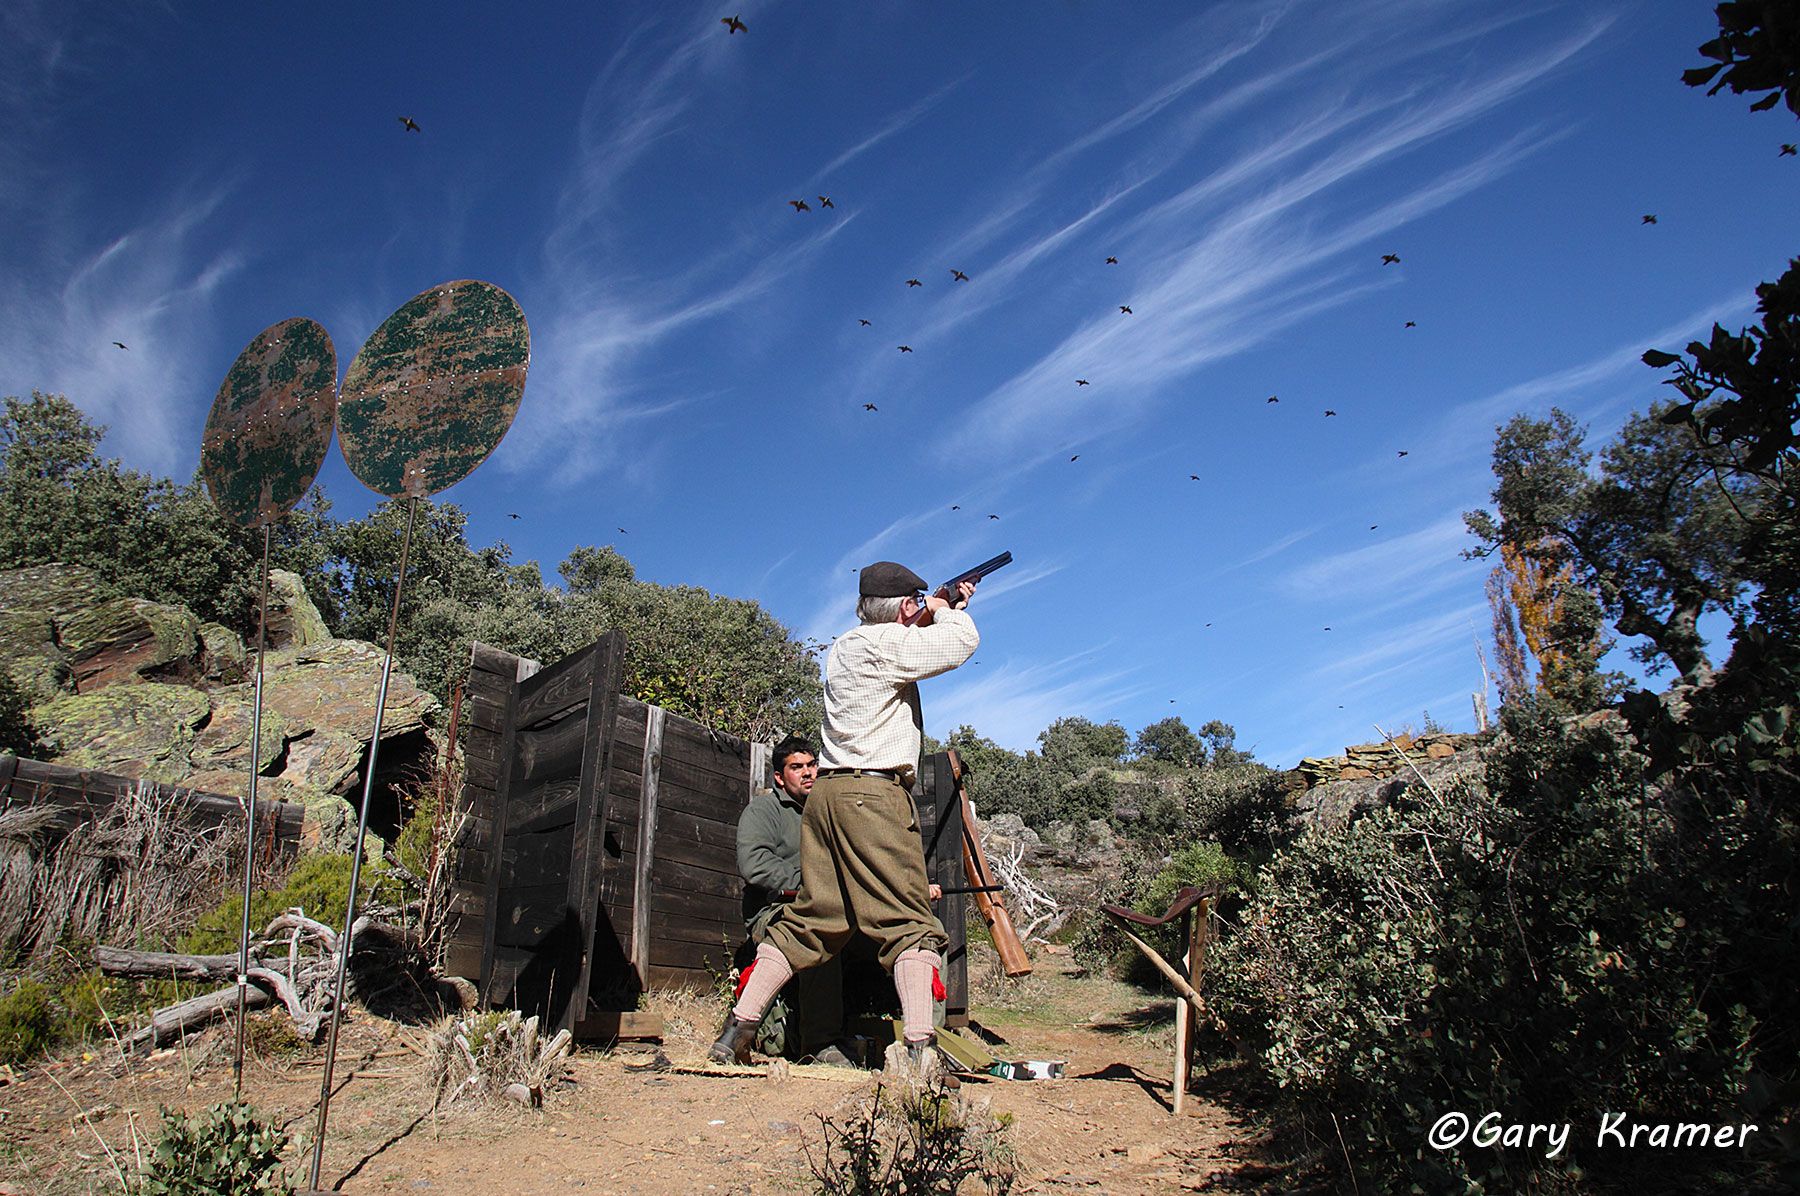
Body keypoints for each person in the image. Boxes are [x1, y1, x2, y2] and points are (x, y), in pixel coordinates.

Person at [711, 561, 978, 1074]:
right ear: (905, 606)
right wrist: (947, 611)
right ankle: (920, 1048)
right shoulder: (881, 645)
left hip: (830, 797)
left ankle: (737, 1029)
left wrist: (937, 610)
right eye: (916, 603)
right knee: (910, 922)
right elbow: (960, 645)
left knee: (815, 920)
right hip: (872, 795)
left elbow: (914, 644)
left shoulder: (851, 646)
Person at [734, 735, 852, 1065]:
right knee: (818, 929)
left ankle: (927, 1039)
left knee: (920, 932)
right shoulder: (764, 810)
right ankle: (821, 1044)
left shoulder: (829, 815)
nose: (808, 773)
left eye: (812, 765)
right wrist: (811, 884)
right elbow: (754, 864)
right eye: (796, 767)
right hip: (773, 912)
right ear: (779, 776)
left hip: (828, 907)